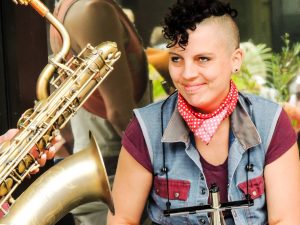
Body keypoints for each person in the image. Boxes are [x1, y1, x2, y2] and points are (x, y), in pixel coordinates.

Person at [107, 0, 300, 224]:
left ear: (235, 60)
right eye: (177, 59)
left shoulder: (271, 122)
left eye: (203, 59)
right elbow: (122, 218)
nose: (187, 74)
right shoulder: (146, 128)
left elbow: (286, 219)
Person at [49, 0, 151, 224]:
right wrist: (162, 168)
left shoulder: (66, 7)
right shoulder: (94, 10)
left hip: (99, 174)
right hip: (118, 176)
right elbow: (120, 113)